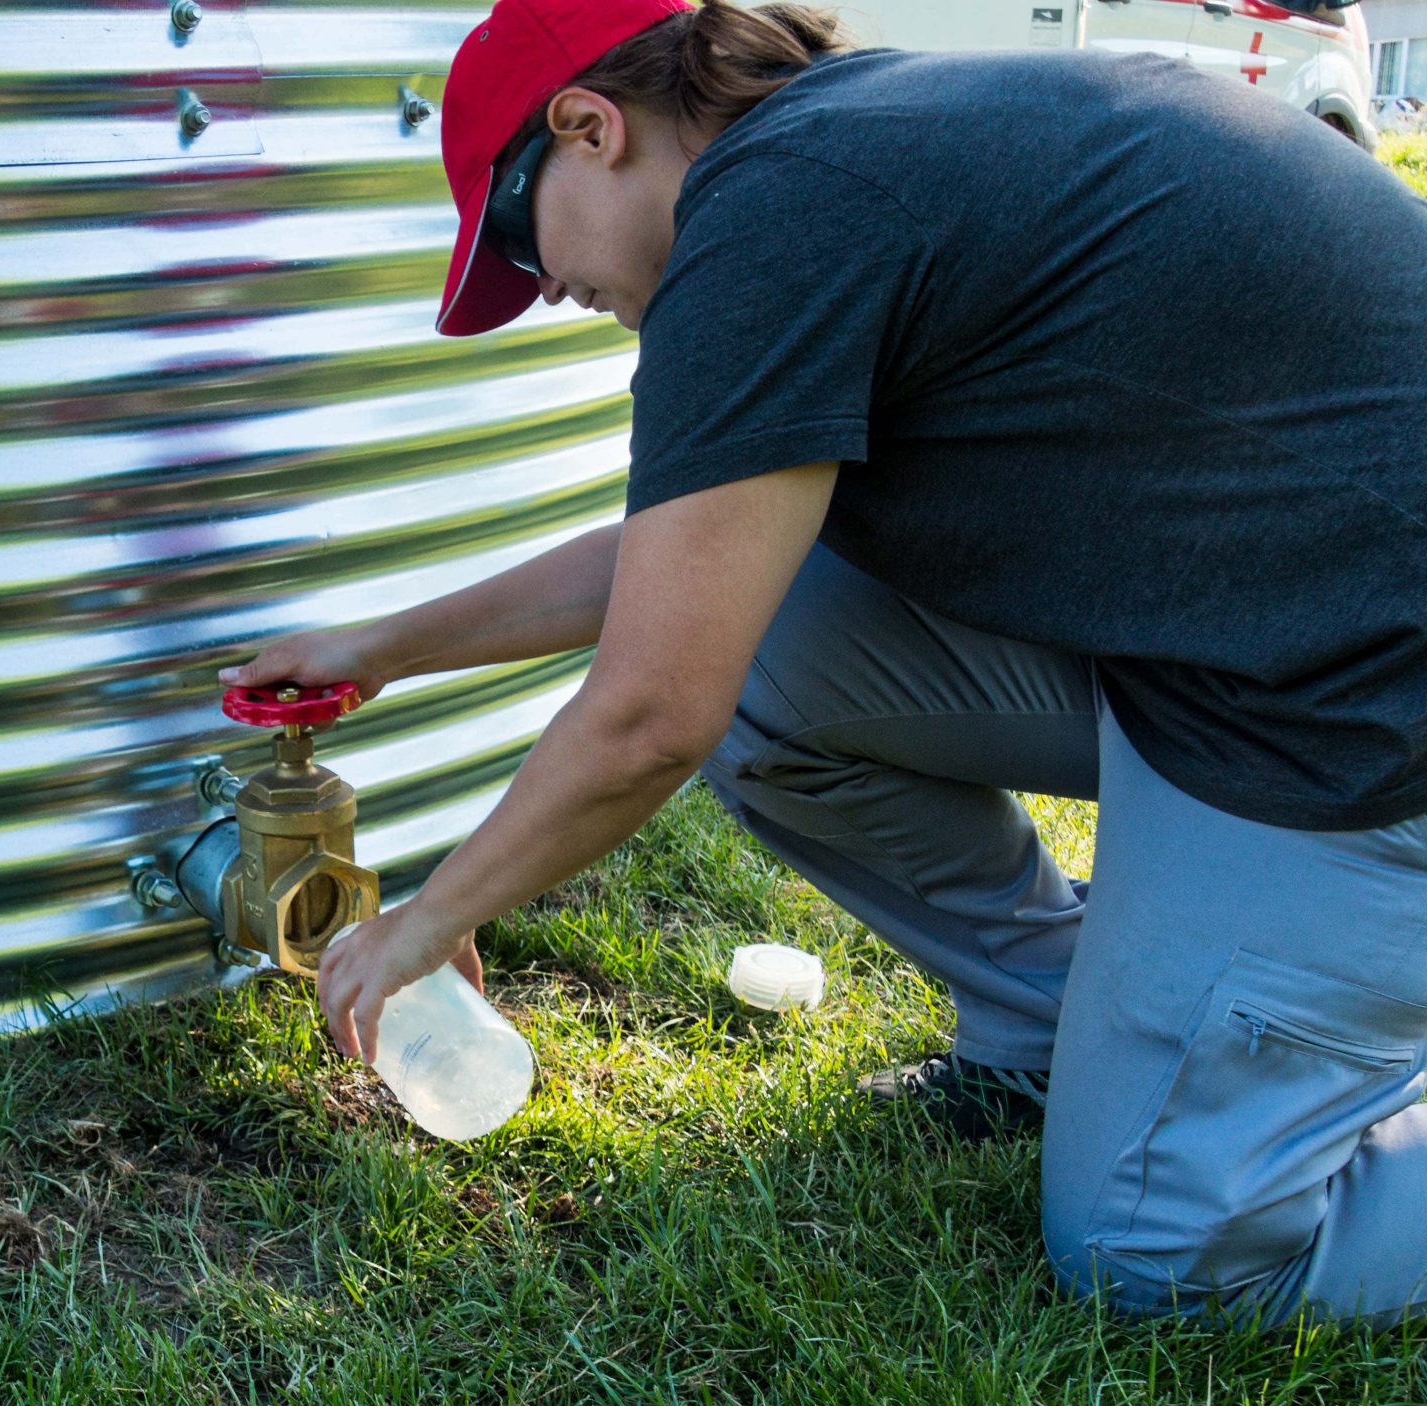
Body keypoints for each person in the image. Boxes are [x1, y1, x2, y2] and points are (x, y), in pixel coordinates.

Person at [223, 0, 1427, 1325]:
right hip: (1229, 628)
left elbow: (650, 716)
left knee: (1161, 1252)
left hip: (1356, 710)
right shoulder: (840, 157)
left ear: (590, 126)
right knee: (770, 669)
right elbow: (689, 565)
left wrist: (430, 920)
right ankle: (1050, 1030)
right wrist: (388, 648)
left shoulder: (775, 219)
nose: (547, 289)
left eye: (521, 240)